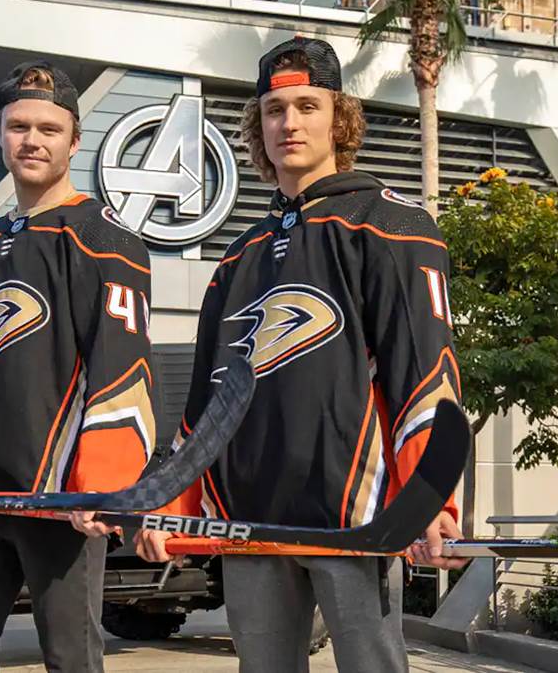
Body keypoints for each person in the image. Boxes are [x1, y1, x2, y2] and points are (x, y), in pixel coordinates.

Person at [134, 37, 468, 672]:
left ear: (340, 119)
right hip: (250, 522)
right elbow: (205, 407)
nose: (289, 123)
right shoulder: (239, 258)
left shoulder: (391, 225)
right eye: (274, 110)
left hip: (352, 518)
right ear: (258, 128)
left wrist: (430, 499)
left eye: (308, 107)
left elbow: (424, 373)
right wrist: (170, 505)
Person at [0, 61, 156, 672]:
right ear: (0, 134)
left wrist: (101, 482)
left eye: (49, 128)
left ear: (75, 140)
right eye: (18, 126)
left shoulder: (105, 236)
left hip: (58, 499)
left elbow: (123, 368)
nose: (32, 140)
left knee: (70, 661)